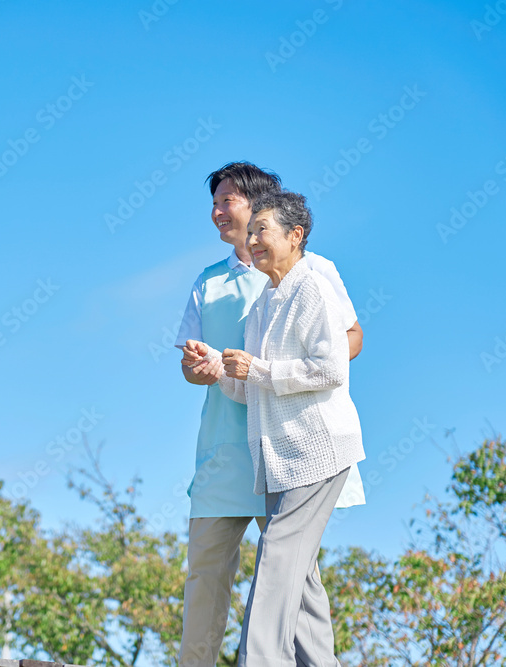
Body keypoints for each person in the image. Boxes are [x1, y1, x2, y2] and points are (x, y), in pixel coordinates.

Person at [175, 162, 363, 667]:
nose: (217, 213)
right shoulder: (215, 284)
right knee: (209, 581)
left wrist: (265, 371)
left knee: (294, 580)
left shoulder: (309, 272)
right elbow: (207, 374)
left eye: (228, 201)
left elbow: (347, 344)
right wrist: (210, 367)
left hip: (293, 446)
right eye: (213, 204)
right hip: (226, 452)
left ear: (262, 208)